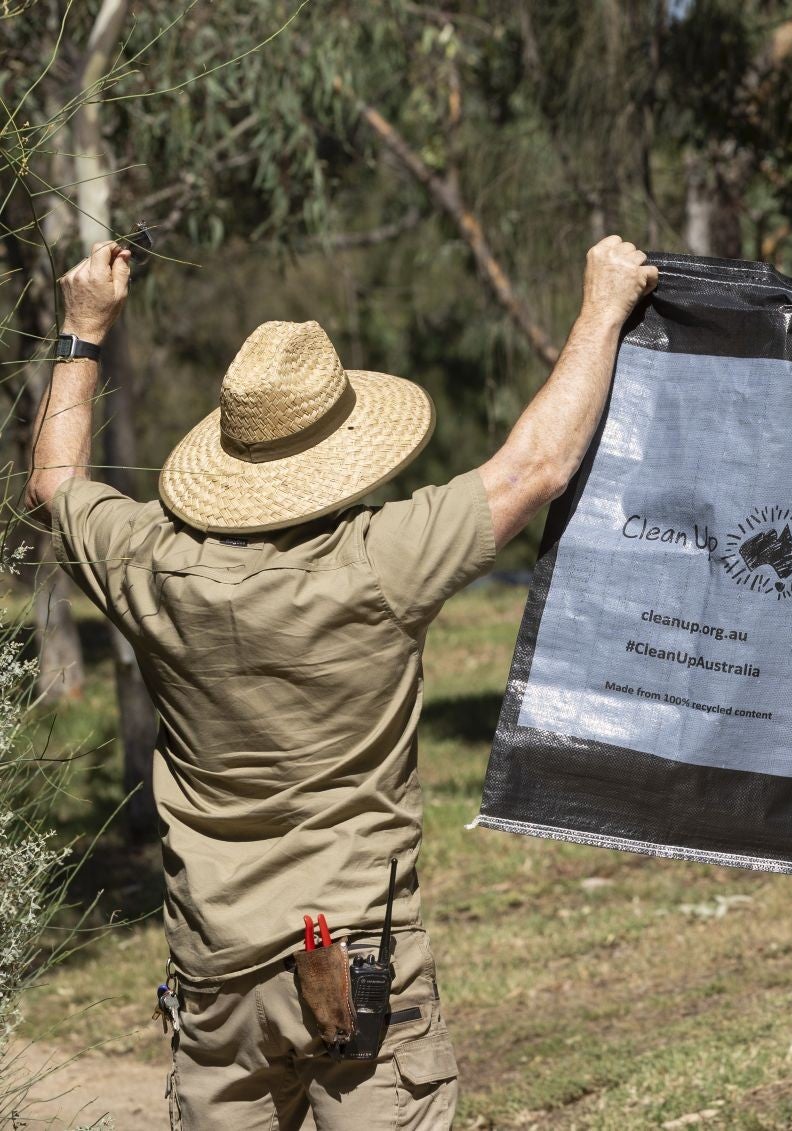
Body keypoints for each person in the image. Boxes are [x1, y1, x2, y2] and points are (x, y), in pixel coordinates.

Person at [26, 234, 657, 1129]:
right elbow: (535, 469)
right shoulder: (380, 563)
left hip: (215, 975)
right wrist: (602, 308)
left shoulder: (151, 564)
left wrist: (83, 330)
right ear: (343, 451)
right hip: (357, 963)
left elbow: (52, 484)